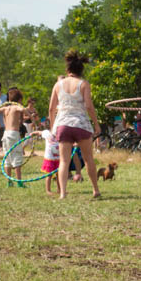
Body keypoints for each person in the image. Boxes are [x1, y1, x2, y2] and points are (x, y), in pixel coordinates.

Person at [48, 50, 101, 200]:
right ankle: (95, 190)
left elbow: (52, 108)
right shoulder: (84, 84)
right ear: (81, 70)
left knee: (64, 161)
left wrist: (53, 127)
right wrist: (96, 124)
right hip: (81, 124)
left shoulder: (58, 85)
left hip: (63, 124)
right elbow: (89, 106)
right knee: (88, 158)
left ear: (68, 70)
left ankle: (63, 193)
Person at [0, 89, 29, 181]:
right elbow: (22, 109)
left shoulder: (5, 108)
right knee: (17, 156)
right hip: (14, 134)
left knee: (7, 158)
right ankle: (19, 181)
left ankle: (9, 181)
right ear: (19, 100)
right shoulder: (16, 107)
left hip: (6, 134)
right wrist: (30, 116)